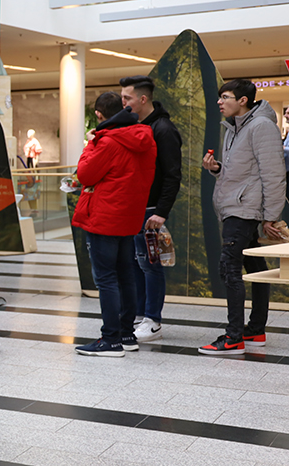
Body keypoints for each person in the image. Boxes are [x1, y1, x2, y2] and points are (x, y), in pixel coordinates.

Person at [199, 80, 286, 355]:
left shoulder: (261, 127)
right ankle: (255, 330)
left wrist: (270, 216)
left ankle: (234, 336)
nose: (219, 102)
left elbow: (273, 175)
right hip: (238, 206)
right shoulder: (235, 128)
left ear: (244, 101)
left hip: (244, 211)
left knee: (229, 270)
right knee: (256, 271)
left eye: (225, 97)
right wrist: (217, 169)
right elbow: (244, 172)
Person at [71, 91, 156, 357]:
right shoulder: (145, 138)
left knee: (106, 278)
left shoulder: (105, 142)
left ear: (98, 115)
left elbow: (85, 174)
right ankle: (126, 333)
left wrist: (89, 145)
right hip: (130, 216)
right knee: (126, 275)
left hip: (104, 218)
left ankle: (110, 339)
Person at [120, 75, 182, 344]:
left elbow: (172, 175)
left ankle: (153, 320)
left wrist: (161, 212)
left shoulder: (163, 129)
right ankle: (138, 314)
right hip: (135, 208)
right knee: (136, 264)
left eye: (127, 98)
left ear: (142, 99)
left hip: (151, 210)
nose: (123, 103)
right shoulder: (134, 126)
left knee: (151, 264)